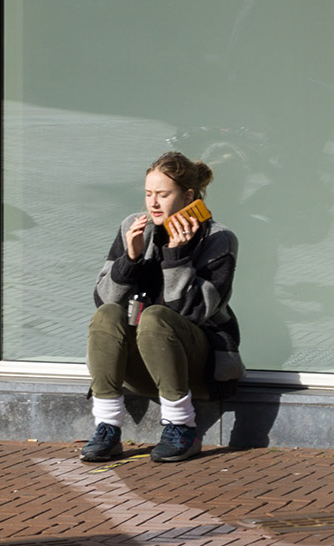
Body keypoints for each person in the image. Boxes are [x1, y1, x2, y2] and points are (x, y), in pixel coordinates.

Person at [82, 151, 244, 463]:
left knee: (156, 316)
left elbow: (192, 312)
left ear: (188, 196)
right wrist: (129, 260)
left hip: (196, 367)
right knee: (108, 314)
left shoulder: (219, 239)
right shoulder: (134, 226)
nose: (153, 203)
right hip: (140, 363)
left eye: (163, 194)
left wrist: (177, 256)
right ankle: (107, 427)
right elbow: (103, 300)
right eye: (148, 194)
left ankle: (181, 426)